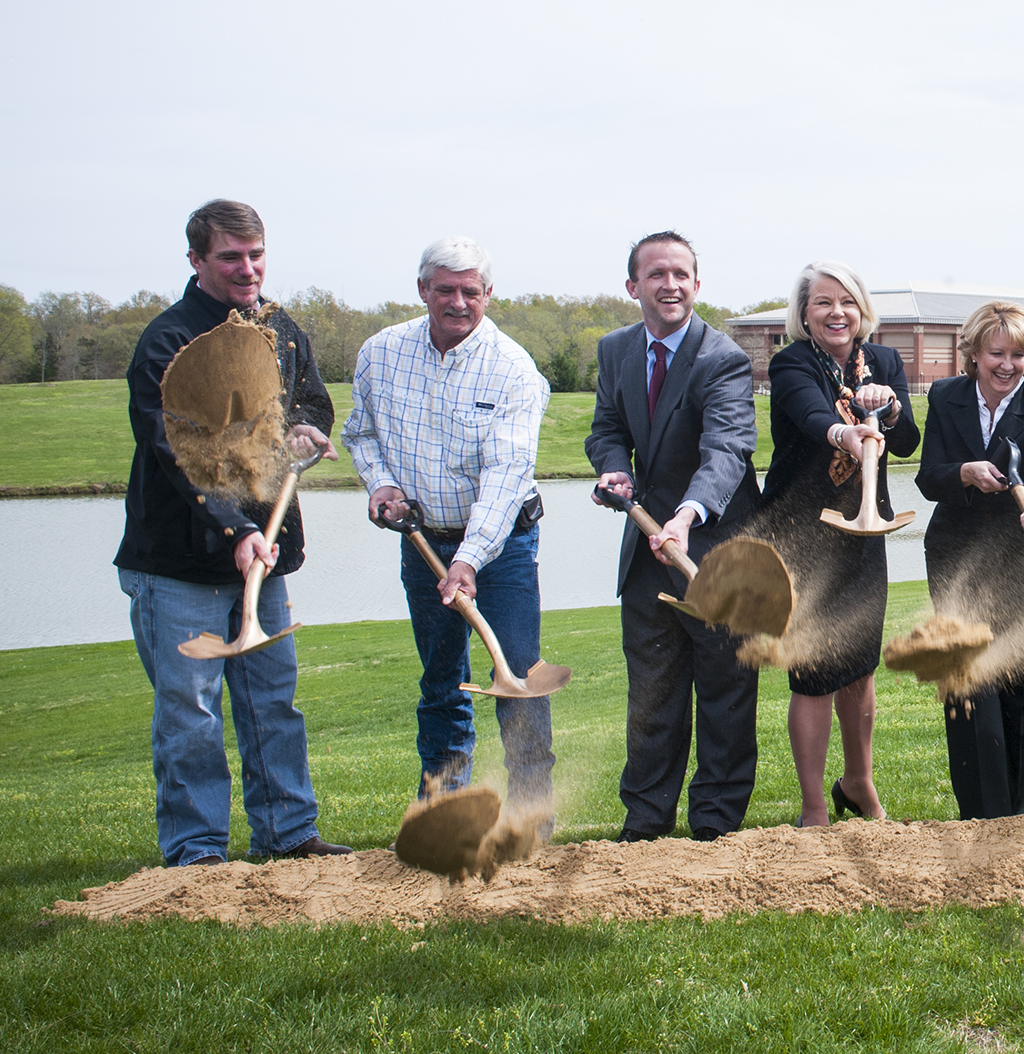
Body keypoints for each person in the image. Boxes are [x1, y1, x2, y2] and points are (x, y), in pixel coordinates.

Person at [114, 198, 350, 866]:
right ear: (196, 260)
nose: (248, 269)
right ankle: (197, 850)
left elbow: (310, 400)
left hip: (264, 560)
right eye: (230, 257)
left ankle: (287, 833)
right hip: (180, 563)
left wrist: (306, 429)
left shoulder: (279, 328)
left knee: (272, 700)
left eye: (256, 254)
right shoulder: (167, 342)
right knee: (191, 713)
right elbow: (173, 449)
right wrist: (235, 528)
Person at [343, 237, 555, 822]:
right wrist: (380, 484)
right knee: (441, 680)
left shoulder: (513, 369)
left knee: (516, 674)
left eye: (471, 291)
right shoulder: (381, 353)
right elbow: (359, 434)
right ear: (423, 291)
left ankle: (533, 813)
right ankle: (443, 805)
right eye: (445, 289)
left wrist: (469, 559)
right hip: (422, 539)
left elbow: (506, 474)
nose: (458, 302)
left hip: (502, 542)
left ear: (489, 294)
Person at [586, 230, 761, 843]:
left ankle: (715, 826)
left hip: (715, 550)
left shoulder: (723, 359)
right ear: (633, 286)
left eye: (682, 274)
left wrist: (688, 515)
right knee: (653, 697)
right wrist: (612, 466)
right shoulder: (615, 351)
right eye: (657, 274)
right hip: (645, 556)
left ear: (696, 283)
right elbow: (606, 426)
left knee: (725, 694)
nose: (671, 285)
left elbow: (728, 449)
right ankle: (646, 825)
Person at [755, 262, 920, 828]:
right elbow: (811, 415)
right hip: (803, 536)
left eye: (846, 301)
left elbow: (906, 441)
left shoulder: (886, 361)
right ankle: (813, 806)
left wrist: (891, 407)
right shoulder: (793, 362)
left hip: (864, 530)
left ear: (862, 308)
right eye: (822, 302)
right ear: (803, 314)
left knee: (858, 665)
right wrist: (847, 431)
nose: (836, 312)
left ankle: (858, 782)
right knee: (813, 670)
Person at [915, 301, 1024, 819]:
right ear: (973, 353)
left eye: (1020, 355)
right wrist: (964, 472)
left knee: (1022, 687)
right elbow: (928, 477)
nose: (1008, 365)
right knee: (969, 684)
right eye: (997, 354)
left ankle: (1019, 813)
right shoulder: (945, 396)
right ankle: (982, 818)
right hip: (956, 559)